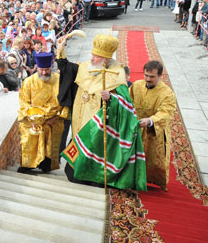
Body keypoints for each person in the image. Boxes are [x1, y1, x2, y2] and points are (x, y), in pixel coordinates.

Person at [56, 34, 126, 183]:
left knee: (94, 144)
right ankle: (75, 170)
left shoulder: (117, 74)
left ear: (106, 60)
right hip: (79, 115)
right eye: (92, 55)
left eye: (96, 57)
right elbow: (66, 69)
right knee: (78, 139)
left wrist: (111, 97)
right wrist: (60, 50)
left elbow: (125, 101)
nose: (92, 59)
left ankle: (91, 176)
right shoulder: (86, 66)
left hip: (98, 120)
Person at [17, 52, 68, 174]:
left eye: (47, 70)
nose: (44, 73)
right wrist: (33, 119)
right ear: (37, 68)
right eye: (42, 70)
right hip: (32, 121)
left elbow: (66, 102)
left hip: (53, 121)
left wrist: (54, 118)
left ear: (51, 67)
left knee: (50, 146)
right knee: (29, 140)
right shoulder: (28, 82)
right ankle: (28, 166)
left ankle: (46, 166)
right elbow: (24, 103)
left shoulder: (60, 81)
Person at [129, 61, 176, 192]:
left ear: (160, 76)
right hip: (136, 128)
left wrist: (150, 120)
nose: (148, 79)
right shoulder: (137, 85)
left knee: (151, 159)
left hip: (153, 130)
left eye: (152, 77)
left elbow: (167, 112)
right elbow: (127, 100)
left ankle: (147, 181)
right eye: (146, 75)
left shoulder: (167, 93)